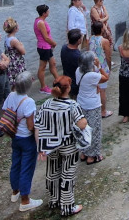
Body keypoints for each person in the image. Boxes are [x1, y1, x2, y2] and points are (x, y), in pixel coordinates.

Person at [35, 76, 88, 216]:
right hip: (68, 145)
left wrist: (40, 147)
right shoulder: (72, 105)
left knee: (52, 173)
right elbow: (82, 124)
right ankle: (67, 206)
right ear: (68, 88)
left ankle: (54, 200)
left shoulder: (46, 104)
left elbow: (38, 126)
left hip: (51, 145)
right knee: (67, 174)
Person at [3, 71, 42, 212]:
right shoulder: (28, 101)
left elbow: (5, 111)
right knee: (26, 168)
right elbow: (31, 126)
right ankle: (25, 201)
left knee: (16, 164)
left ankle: (15, 191)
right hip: (26, 139)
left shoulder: (11, 95)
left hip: (14, 136)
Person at [75, 51, 109, 164]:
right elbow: (105, 77)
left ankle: (83, 152)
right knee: (95, 129)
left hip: (81, 102)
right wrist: (99, 66)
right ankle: (92, 155)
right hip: (92, 105)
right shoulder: (92, 75)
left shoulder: (78, 71)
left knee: (83, 128)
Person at [88, 21, 113, 118]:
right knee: (102, 90)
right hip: (101, 66)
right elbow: (108, 56)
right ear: (102, 29)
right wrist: (109, 68)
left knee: (94, 88)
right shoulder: (104, 41)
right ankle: (103, 111)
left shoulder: (90, 39)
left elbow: (88, 52)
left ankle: (95, 108)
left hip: (91, 66)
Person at [34, 4, 59, 94]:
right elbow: (46, 37)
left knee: (53, 63)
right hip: (44, 47)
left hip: (47, 47)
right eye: (47, 11)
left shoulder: (41, 20)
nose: (49, 12)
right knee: (42, 67)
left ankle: (59, 81)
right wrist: (53, 43)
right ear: (44, 13)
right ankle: (43, 87)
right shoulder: (40, 22)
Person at [3, 17, 27, 88]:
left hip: (10, 60)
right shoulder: (14, 40)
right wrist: (21, 44)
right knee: (18, 81)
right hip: (16, 62)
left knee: (14, 81)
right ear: (15, 28)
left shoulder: (7, 37)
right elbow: (23, 52)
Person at [61, 29, 83, 99]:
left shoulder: (64, 48)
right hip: (75, 85)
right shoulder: (78, 56)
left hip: (67, 80)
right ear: (79, 41)